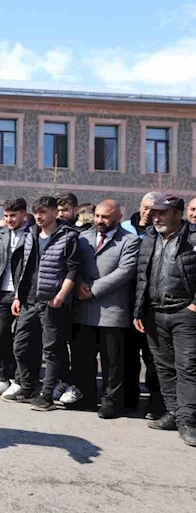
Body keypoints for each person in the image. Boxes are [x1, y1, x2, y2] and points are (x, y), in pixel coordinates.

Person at [133, 195, 196, 447]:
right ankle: (172, 413)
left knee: (188, 367)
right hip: (154, 313)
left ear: (178, 215)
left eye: (163, 213)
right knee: (163, 367)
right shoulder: (150, 238)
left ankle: (188, 420)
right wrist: (138, 311)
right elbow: (142, 276)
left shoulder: (192, 238)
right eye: (154, 212)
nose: (156, 217)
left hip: (185, 313)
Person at [6, 196, 79, 411]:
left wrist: (61, 296)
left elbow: (73, 269)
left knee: (52, 350)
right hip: (28, 300)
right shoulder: (31, 234)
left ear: (55, 213)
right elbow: (24, 268)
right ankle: (28, 387)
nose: (39, 216)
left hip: (51, 301)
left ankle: (46, 396)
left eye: (44, 212)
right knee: (20, 346)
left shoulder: (68, 236)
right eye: (36, 212)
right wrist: (18, 296)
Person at [70, 200, 140, 418]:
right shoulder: (83, 238)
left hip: (112, 311)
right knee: (83, 358)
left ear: (118, 218)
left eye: (105, 217)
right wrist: (79, 282)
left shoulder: (130, 241)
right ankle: (86, 397)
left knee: (113, 362)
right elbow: (74, 265)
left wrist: (93, 289)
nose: (99, 221)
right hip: (83, 309)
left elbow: (125, 271)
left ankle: (111, 401)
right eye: (97, 216)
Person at [121, 192, 165, 419]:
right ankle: (129, 399)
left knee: (152, 358)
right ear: (140, 207)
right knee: (127, 355)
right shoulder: (124, 228)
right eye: (146, 208)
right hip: (125, 302)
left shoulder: (161, 233)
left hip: (150, 304)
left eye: (154, 209)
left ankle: (156, 404)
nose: (149, 213)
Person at [0, 198, 31, 397]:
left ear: (24, 215)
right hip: (1, 292)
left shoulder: (32, 234)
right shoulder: (1, 234)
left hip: (23, 294)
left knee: (22, 341)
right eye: (6, 216)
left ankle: (19, 380)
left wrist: (21, 294)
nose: (9, 220)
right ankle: (2, 377)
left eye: (13, 216)